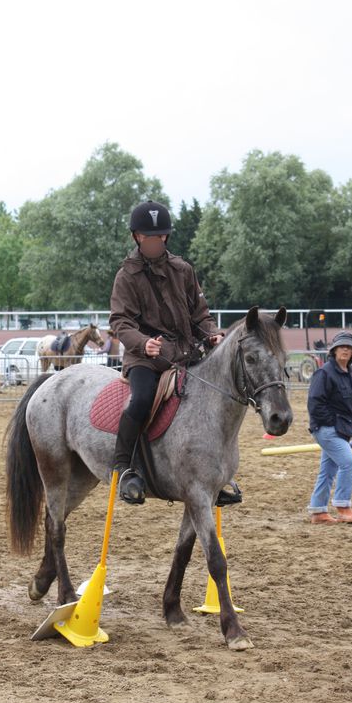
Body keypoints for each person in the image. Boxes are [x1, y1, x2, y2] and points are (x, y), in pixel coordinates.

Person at [109, 200, 223, 505]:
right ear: (137, 238)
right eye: (151, 238)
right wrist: (142, 342)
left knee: (212, 400)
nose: (157, 242)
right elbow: (120, 321)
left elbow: (200, 314)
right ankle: (124, 467)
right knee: (143, 398)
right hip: (145, 357)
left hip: (185, 353)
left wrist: (212, 335)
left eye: (161, 237)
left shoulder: (183, 270)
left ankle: (214, 474)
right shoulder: (127, 276)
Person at [307, 331, 352, 525]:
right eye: (342, 346)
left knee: (328, 470)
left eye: (349, 347)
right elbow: (315, 403)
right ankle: (343, 506)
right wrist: (331, 423)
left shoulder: (351, 372)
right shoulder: (324, 373)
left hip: (343, 429)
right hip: (327, 429)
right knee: (349, 463)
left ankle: (318, 511)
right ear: (334, 350)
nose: (345, 349)